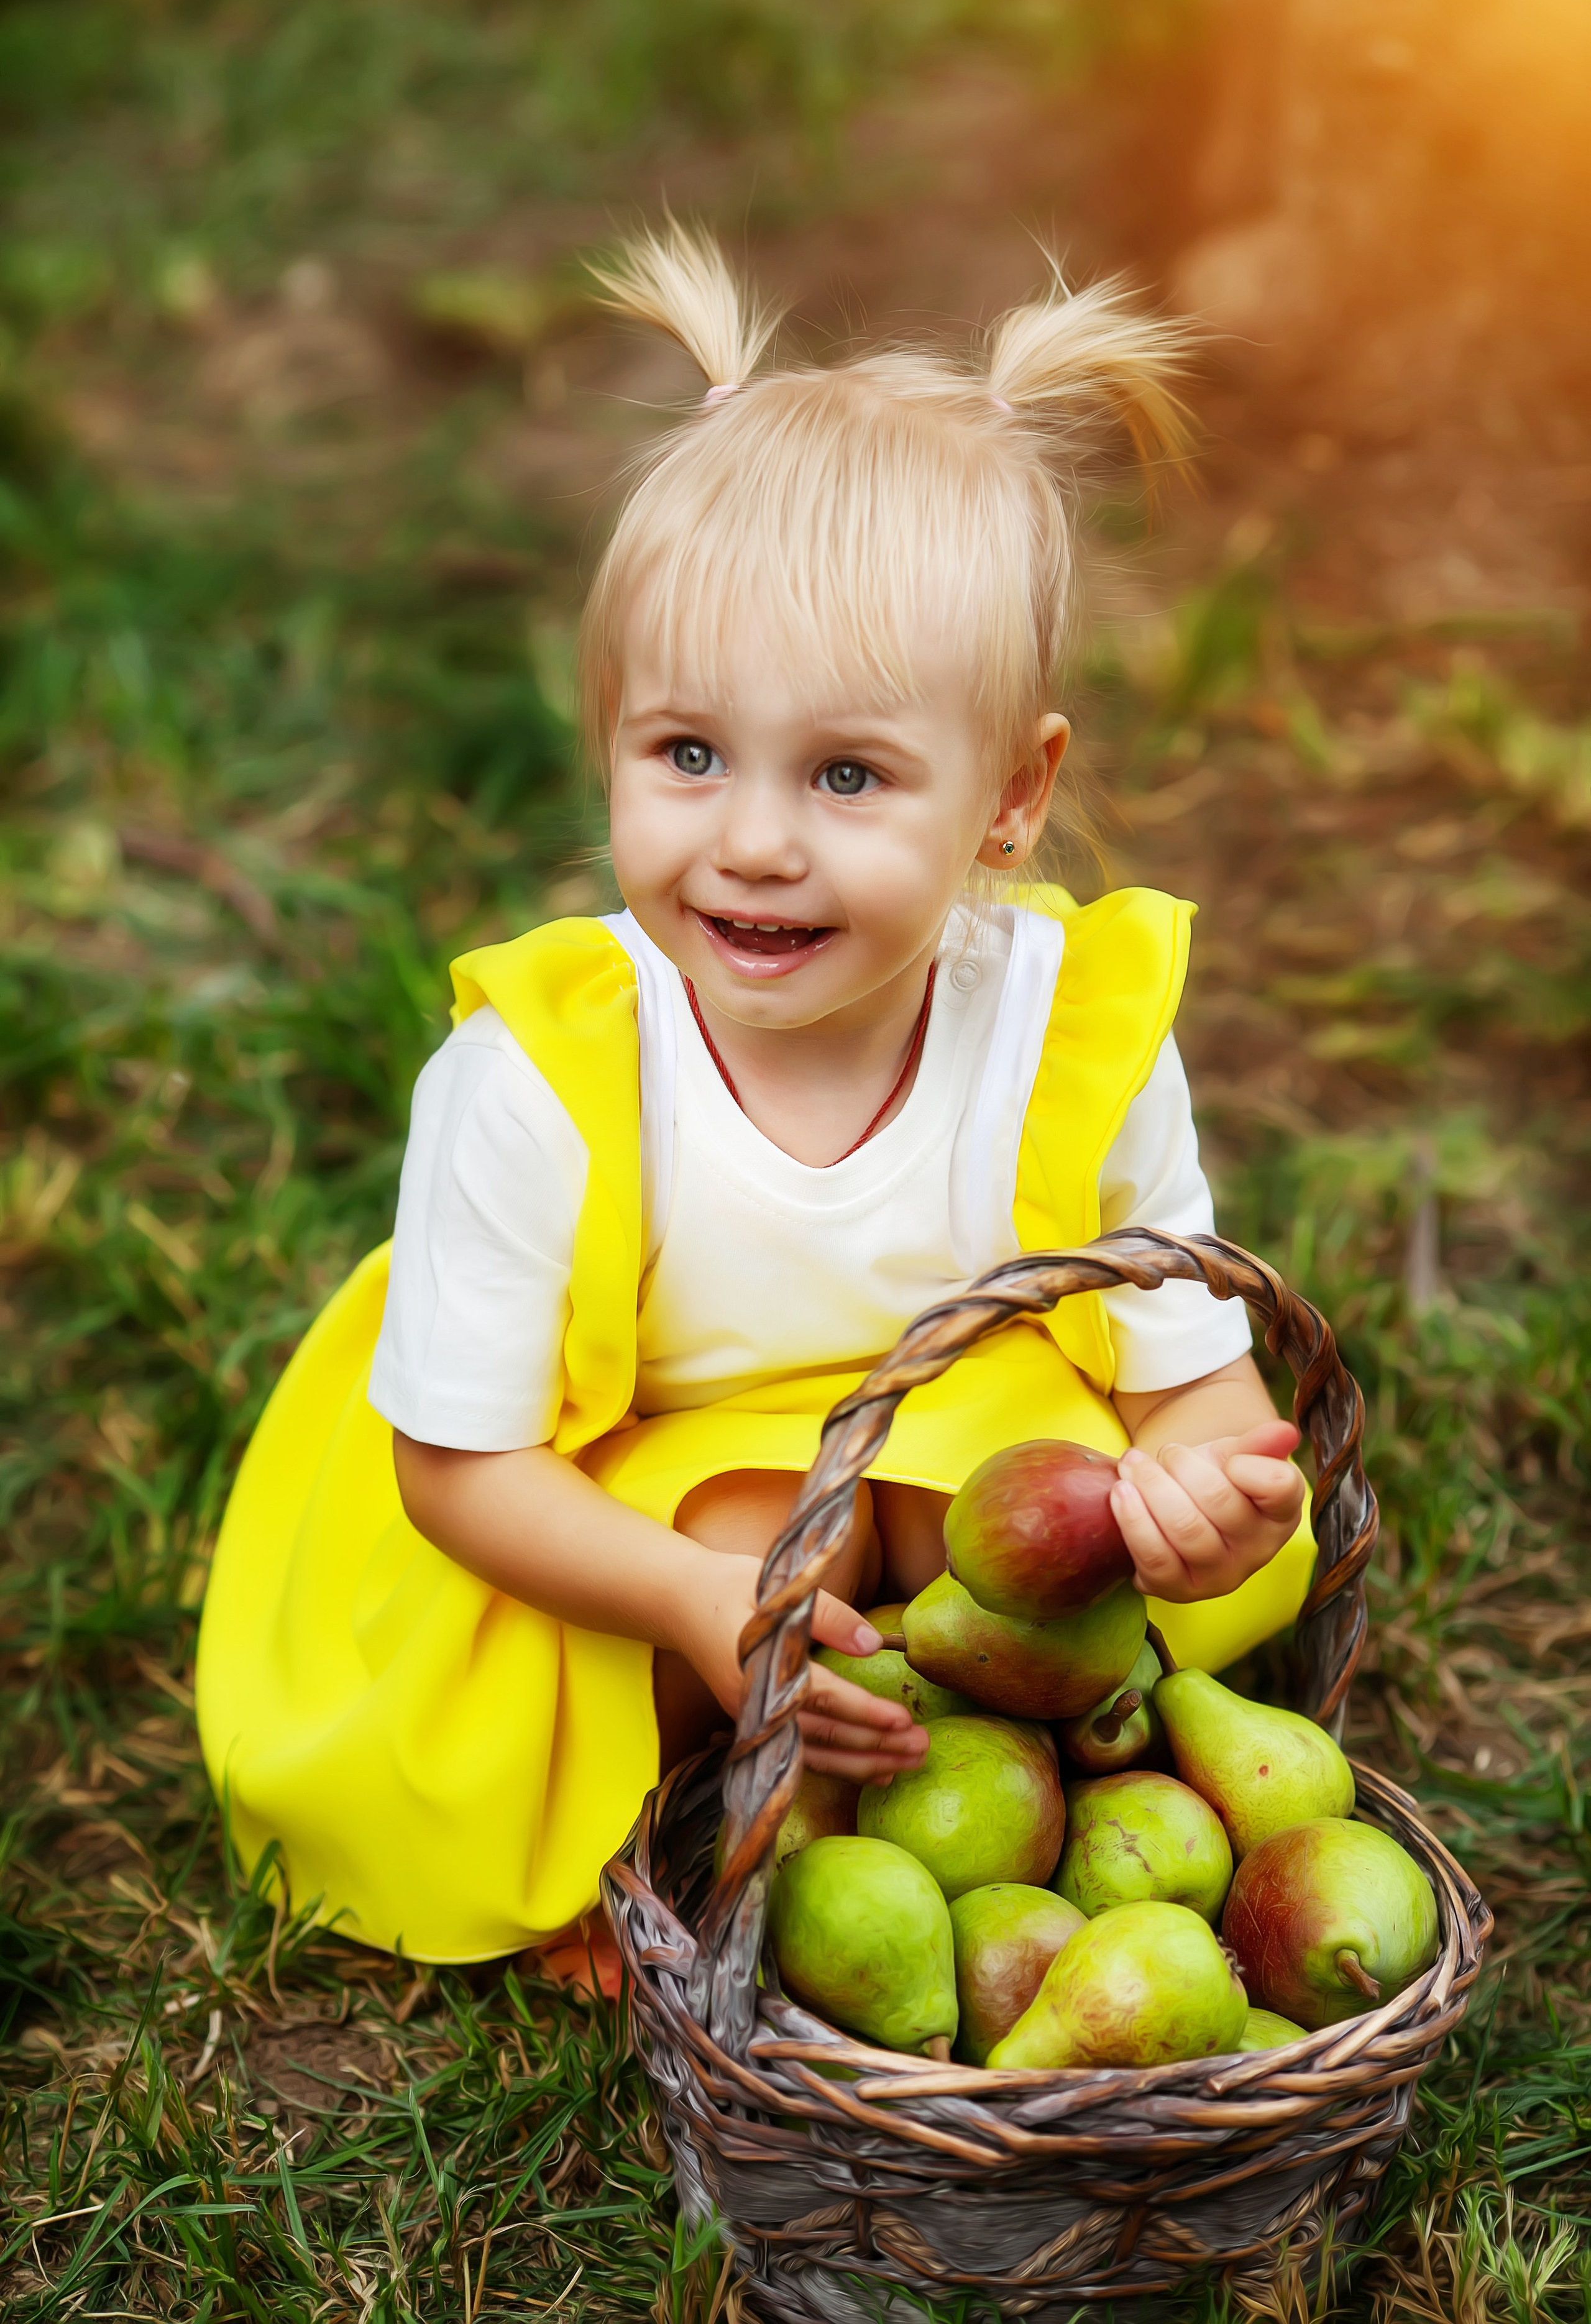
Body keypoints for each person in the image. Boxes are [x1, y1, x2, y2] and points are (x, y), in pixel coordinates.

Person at [196, 224, 1312, 1971]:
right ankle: (701, 1792)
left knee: (1059, 1513)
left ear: (1012, 801)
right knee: (753, 1528)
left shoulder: (1065, 1033)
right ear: (612, 738)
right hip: (611, 1503)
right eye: (689, 753)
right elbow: (462, 1474)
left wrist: (1207, 1493)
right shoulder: (545, 1077)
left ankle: (956, 1795)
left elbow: (1202, 1388)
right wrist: (705, 1604)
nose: (756, 841)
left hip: (932, 1437)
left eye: (850, 773)